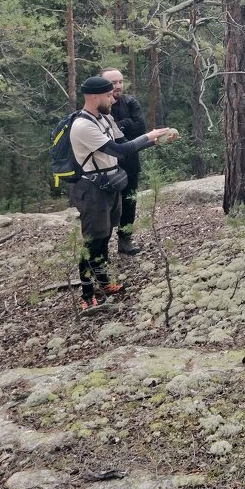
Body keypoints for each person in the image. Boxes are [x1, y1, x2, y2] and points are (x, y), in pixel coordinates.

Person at [70, 75, 176, 311]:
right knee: (92, 242)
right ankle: (87, 295)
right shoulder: (83, 125)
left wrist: (155, 140)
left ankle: (104, 283)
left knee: (105, 236)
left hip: (109, 186)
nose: (113, 98)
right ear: (95, 96)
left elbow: (124, 142)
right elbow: (118, 150)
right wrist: (148, 136)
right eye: (109, 95)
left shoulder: (105, 118)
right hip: (91, 189)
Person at [100, 68, 146, 255]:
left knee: (129, 201)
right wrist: (127, 125)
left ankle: (125, 240)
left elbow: (141, 128)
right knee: (107, 205)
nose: (118, 86)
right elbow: (104, 136)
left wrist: (122, 124)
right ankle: (101, 245)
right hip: (106, 165)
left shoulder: (130, 102)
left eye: (120, 81)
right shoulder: (98, 106)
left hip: (130, 162)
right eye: (113, 83)